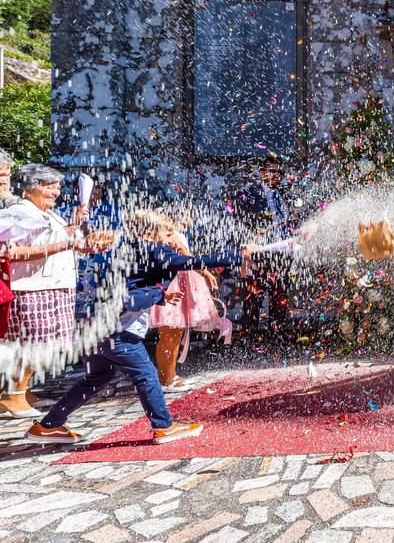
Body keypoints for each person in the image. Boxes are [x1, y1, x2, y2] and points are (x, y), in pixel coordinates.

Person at [25, 210, 257, 445]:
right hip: (119, 332)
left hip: (95, 329)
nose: (171, 236)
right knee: (147, 376)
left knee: (96, 377)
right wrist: (236, 256)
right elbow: (186, 263)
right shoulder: (153, 249)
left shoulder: (126, 248)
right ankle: (164, 426)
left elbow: (127, 285)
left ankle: (48, 426)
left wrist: (159, 294)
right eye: (167, 232)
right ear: (148, 233)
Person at [0, 164, 90, 418]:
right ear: (29, 188)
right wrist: (67, 244)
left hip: (51, 285)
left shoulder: (46, 213)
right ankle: (13, 395)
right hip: (33, 287)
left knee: (40, 342)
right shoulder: (19, 212)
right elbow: (11, 253)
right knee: (34, 343)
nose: (56, 191)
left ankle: (20, 389)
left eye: (57, 185)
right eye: (49, 185)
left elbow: (56, 239)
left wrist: (74, 225)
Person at [149, 212, 224, 393]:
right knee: (170, 332)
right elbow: (185, 254)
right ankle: (165, 379)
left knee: (175, 332)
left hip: (182, 281)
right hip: (175, 283)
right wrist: (205, 272)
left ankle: (169, 374)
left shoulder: (170, 231)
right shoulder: (167, 232)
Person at [234, 155, 294, 337]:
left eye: (280, 171)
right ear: (262, 173)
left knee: (280, 297)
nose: (278, 175)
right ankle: (251, 338)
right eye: (273, 171)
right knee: (253, 298)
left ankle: (276, 336)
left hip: (282, 254)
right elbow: (240, 224)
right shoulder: (248, 195)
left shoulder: (285, 195)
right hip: (258, 254)